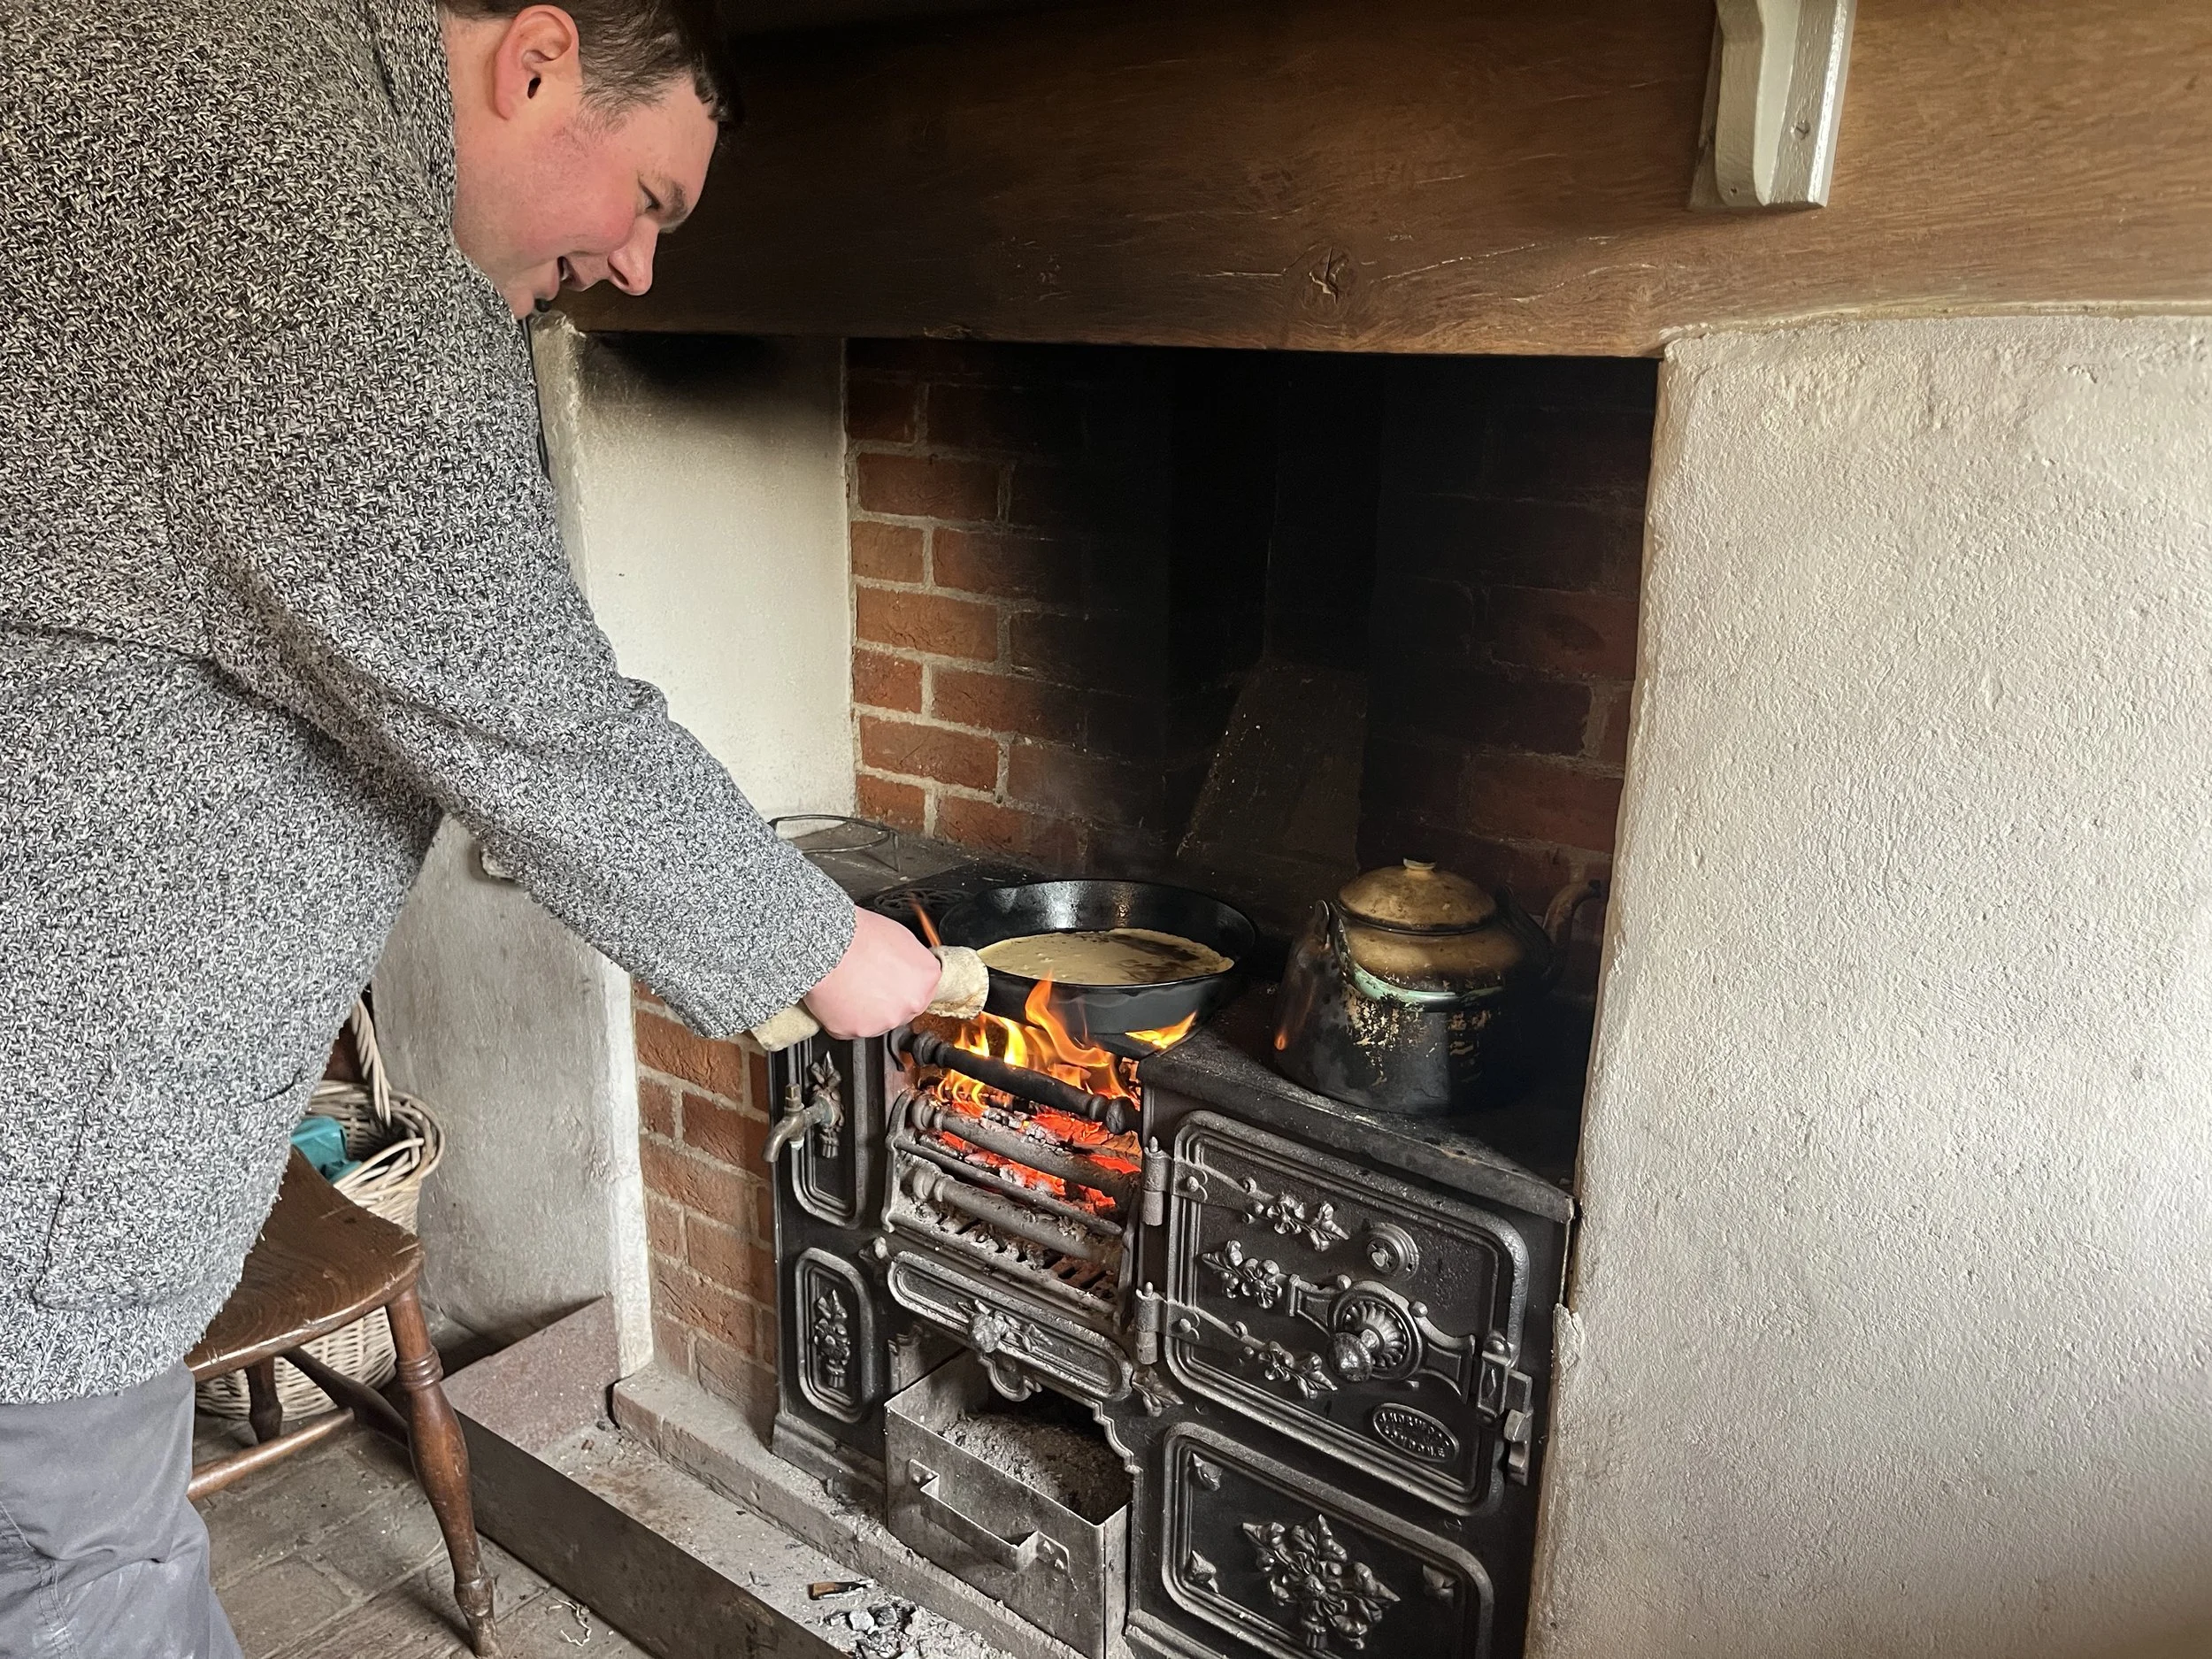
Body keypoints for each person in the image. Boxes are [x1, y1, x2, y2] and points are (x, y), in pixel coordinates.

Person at [0, 1, 941, 1652]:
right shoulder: (297, 216)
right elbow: (531, 712)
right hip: (46, 1147)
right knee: (87, 1588)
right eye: (647, 203)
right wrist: (837, 952)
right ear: (536, 64)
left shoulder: (172, 57)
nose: (641, 272)